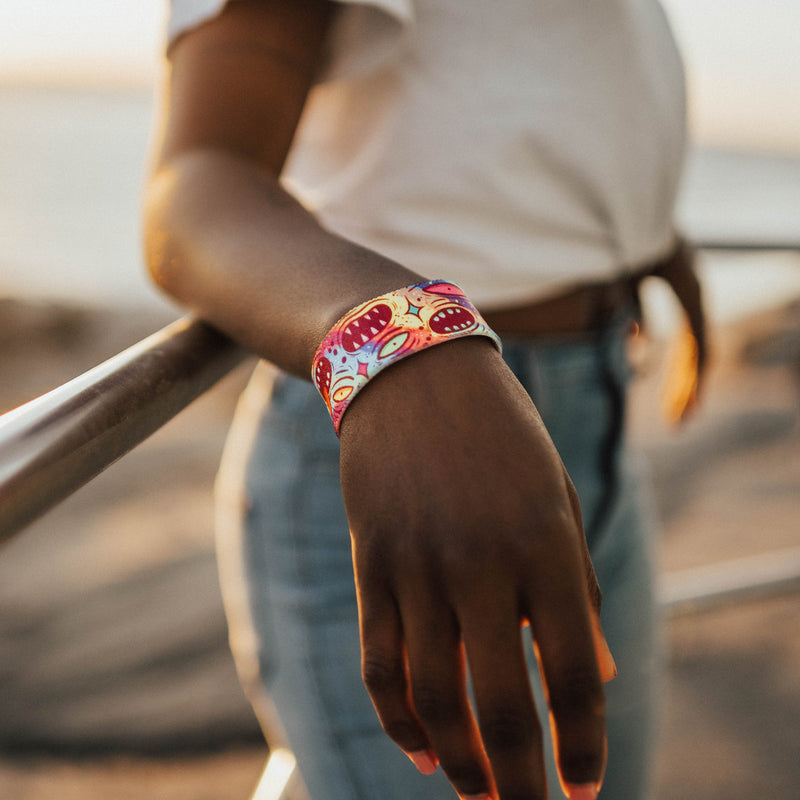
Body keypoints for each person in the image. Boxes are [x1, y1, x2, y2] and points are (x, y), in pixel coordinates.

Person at [144, 1, 706, 798]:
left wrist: (635, 236)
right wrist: (404, 340)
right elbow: (193, 184)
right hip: (413, 451)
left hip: (598, 410)